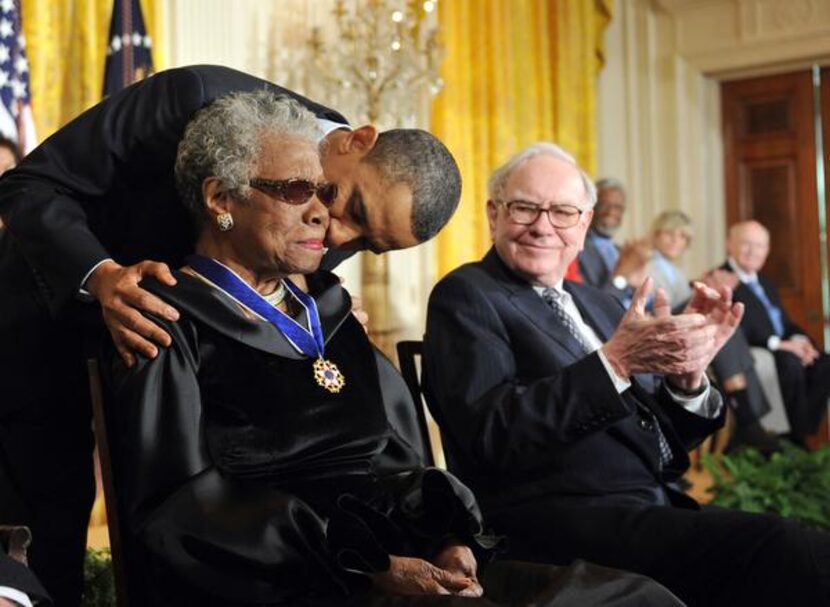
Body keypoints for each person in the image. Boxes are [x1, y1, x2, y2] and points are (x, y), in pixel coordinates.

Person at [105, 91, 683, 606]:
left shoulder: (329, 312)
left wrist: (448, 537)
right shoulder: (165, 317)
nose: (321, 212)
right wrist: (368, 566)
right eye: (297, 190)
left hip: (407, 570)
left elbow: (400, 459)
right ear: (219, 199)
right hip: (288, 580)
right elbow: (180, 508)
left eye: (323, 188)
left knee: (633, 596)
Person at [0, 64, 460, 606]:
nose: (337, 234)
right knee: (47, 537)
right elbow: (29, 186)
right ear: (358, 141)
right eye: (350, 207)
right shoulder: (188, 97)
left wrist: (319, 318)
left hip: (181, 345)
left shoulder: (329, 204)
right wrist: (101, 277)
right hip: (48, 321)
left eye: (367, 244)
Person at [423, 142, 830, 606]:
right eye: (525, 208)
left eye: (562, 212)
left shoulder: (600, 302)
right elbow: (491, 434)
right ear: (494, 214)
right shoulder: (467, 294)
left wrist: (687, 378)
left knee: (798, 552)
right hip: (551, 517)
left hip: (647, 508)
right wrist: (614, 362)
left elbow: (656, 435)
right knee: (786, 549)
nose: (543, 226)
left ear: (584, 224)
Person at [647, 211, 778, 452]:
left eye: (683, 237)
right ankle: (748, 420)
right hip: (659, 326)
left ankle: (746, 420)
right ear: (656, 234)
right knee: (716, 318)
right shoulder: (649, 263)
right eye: (669, 234)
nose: (676, 241)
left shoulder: (672, 269)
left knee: (723, 323)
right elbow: (651, 307)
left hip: (680, 324)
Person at [724, 220, 830, 444]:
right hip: (755, 350)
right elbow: (734, 328)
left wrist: (802, 341)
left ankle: (800, 433)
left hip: (783, 345)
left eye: (760, 246)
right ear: (729, 245)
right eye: (746, 244)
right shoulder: (721, 279)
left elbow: (784, 323)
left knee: (824, 364)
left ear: (767, 250)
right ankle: (788, 439)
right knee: (790, 363)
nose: (753, 252)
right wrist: (778, 344)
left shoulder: (766, 282)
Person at [578, 178, 649, 301]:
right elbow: (596, 307)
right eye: (604, 205)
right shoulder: (578, 248)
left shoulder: (621, 250)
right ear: (590, 207)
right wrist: (622, 275)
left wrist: (641, 288)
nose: (611, 212)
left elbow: (641, 300)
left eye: (618, 207)